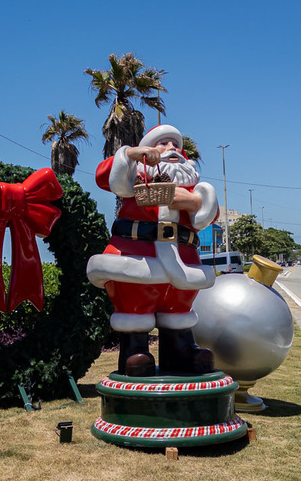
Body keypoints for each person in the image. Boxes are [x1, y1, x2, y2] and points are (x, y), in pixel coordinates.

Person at [86, 124, 219, 377]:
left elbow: (209, 215)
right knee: (135, 310)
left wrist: (194, 202)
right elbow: (104, 176)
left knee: (179, 310)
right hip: (136, 254)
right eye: (163, 143)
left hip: (183, 258)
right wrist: (129, 155)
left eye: (176, 145)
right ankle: (134, 352)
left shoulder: (193, 189)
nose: (172, 149)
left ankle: (182, 350)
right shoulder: (134, 178)